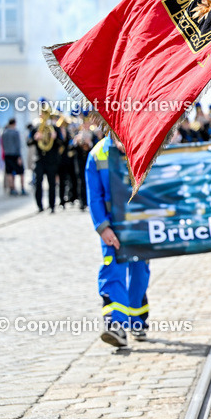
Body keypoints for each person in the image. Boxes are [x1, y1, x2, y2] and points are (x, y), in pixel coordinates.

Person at [87, 133, 150, 348]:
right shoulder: (97, 154)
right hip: (112, 227)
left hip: (139, 224)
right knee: (112, 272)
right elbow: (94, 196)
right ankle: (116, 326)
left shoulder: (145, 146)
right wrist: (102, 228)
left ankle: (138, 321)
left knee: (140, 272)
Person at [1, 118, 26, 195]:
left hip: (7, 154)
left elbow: (3, 144)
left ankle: (12, 188)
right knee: (21, 172)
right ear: (14, 123)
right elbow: (18, 145)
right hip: (15, 155)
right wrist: (19, 157)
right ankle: (22, 188)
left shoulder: (4, 133)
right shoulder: (15, 132)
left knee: (9, 172)